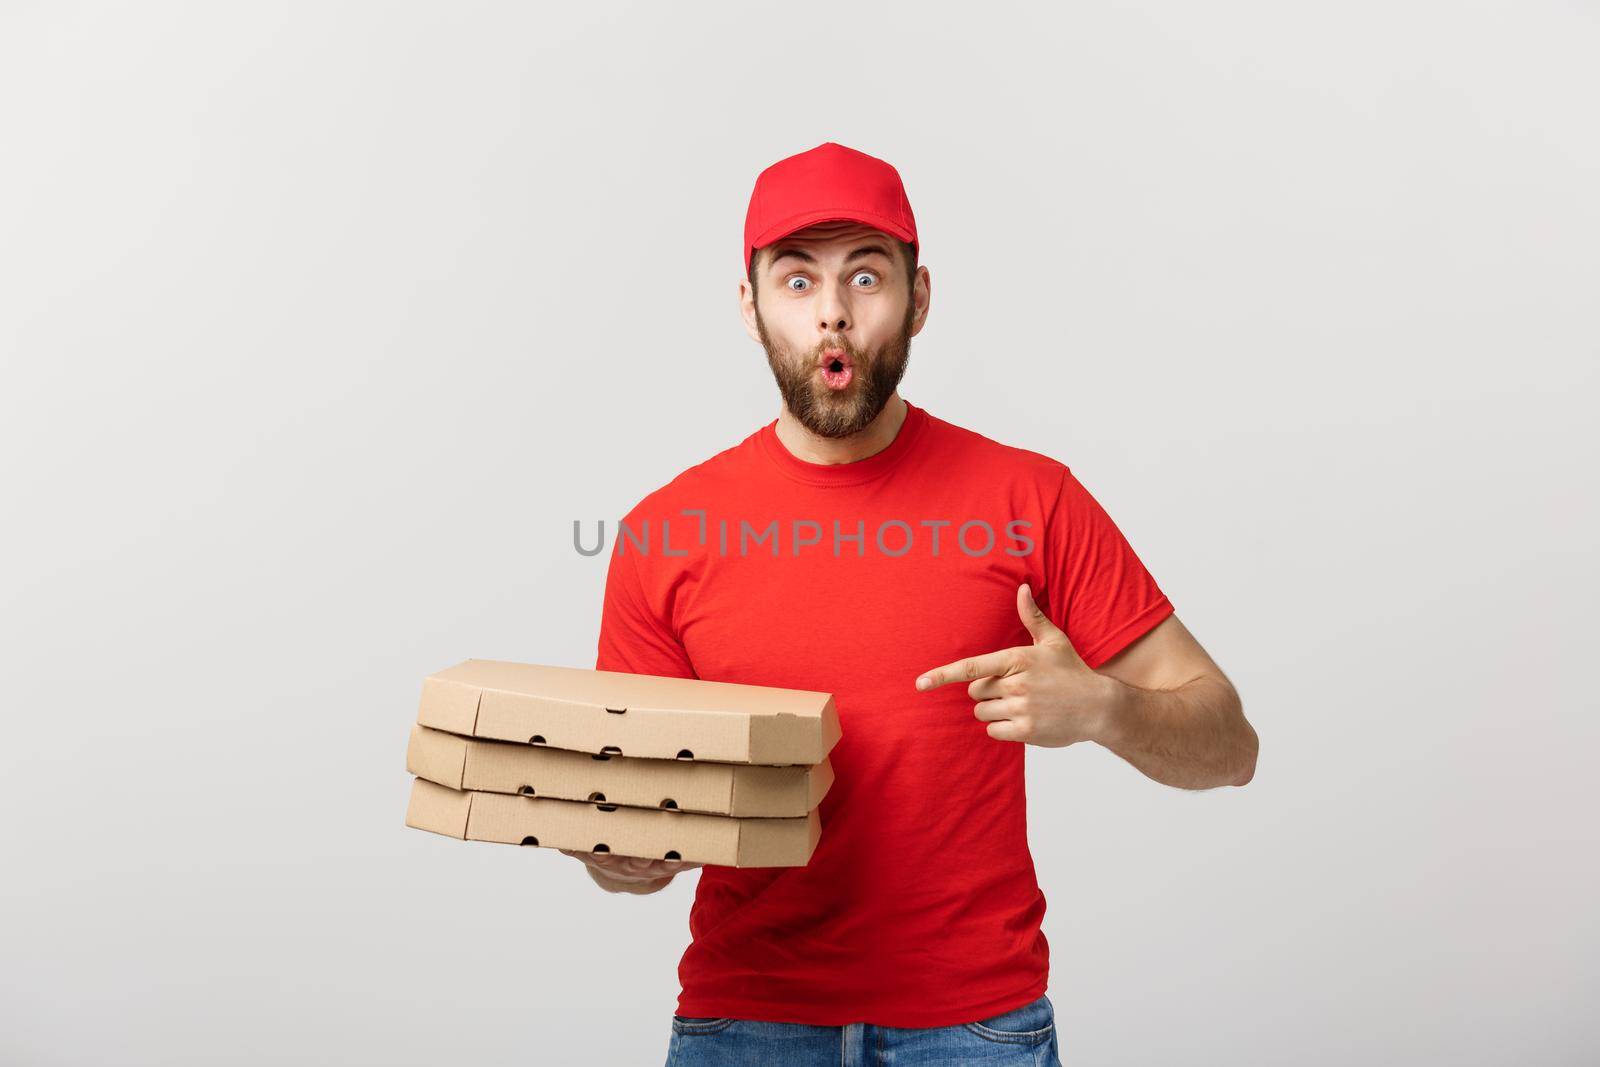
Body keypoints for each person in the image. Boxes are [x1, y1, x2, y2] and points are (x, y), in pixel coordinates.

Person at [560, 141, 1258, 1066]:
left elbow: (1231, 746)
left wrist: (1103, 707)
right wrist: (620, 857)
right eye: (798, 282)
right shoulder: (665, 532)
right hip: (744, 1024)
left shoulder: (1030, 499)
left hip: (977, 1028)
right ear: (750, 305)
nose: (834, 316)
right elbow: (640, 841)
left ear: (919, 297)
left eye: (865, 276)